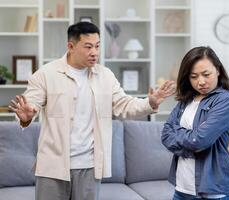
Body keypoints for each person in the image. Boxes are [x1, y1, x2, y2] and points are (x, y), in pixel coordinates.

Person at [9, 22, 175, 200]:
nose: (94, 52)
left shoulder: (105, 76)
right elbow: (31, 104)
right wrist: (27, 116)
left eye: (97, 46)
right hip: (52, 166)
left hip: (89, 166)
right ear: (70, 46)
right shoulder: (45, 74)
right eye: (88, 47)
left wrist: (150, 103)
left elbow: (124, 105)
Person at [161, 46, 229, 200]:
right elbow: (166, 135)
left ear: (218, 70)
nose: (200, 81)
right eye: (194, 76)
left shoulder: (225, 100)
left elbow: (200, 140)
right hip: (182, 188)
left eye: (206, 74)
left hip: (212, 191)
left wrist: (182, 136)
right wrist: (192, 141)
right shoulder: (186, 100)